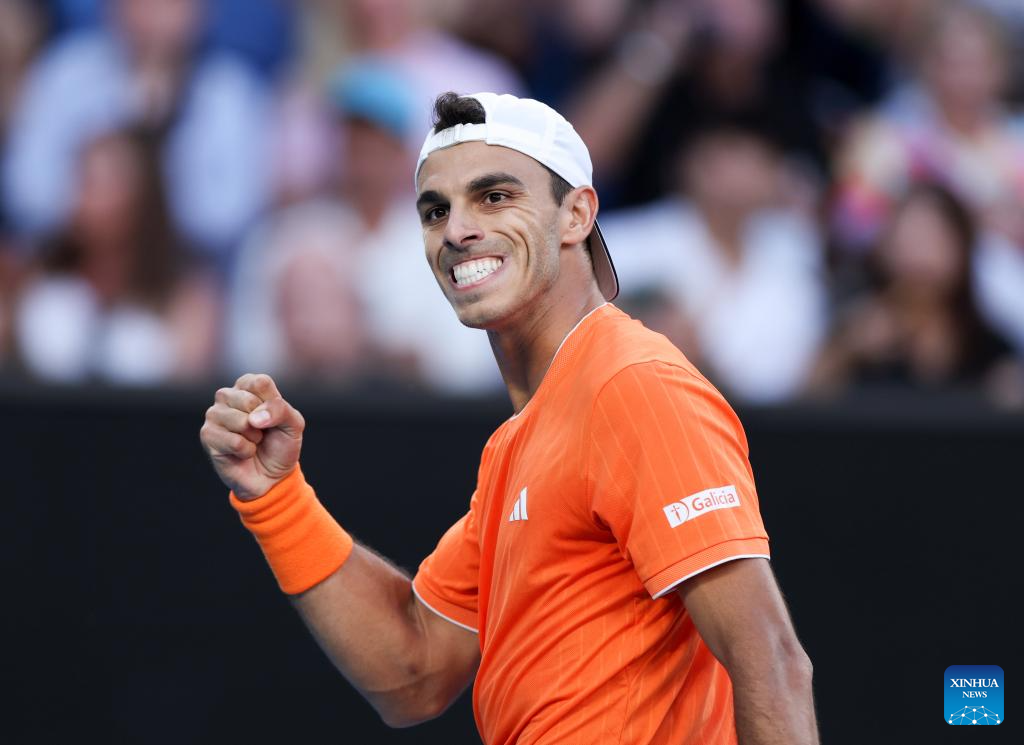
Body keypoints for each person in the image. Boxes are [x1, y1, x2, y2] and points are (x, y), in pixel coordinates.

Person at [200, 92, 817, 744]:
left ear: (576, 214)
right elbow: (415, 669)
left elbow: (771, 661)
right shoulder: (522, 439)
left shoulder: (633, 384)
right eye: (436, 210)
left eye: (494, 196)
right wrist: (276, 498)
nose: (456, 230)